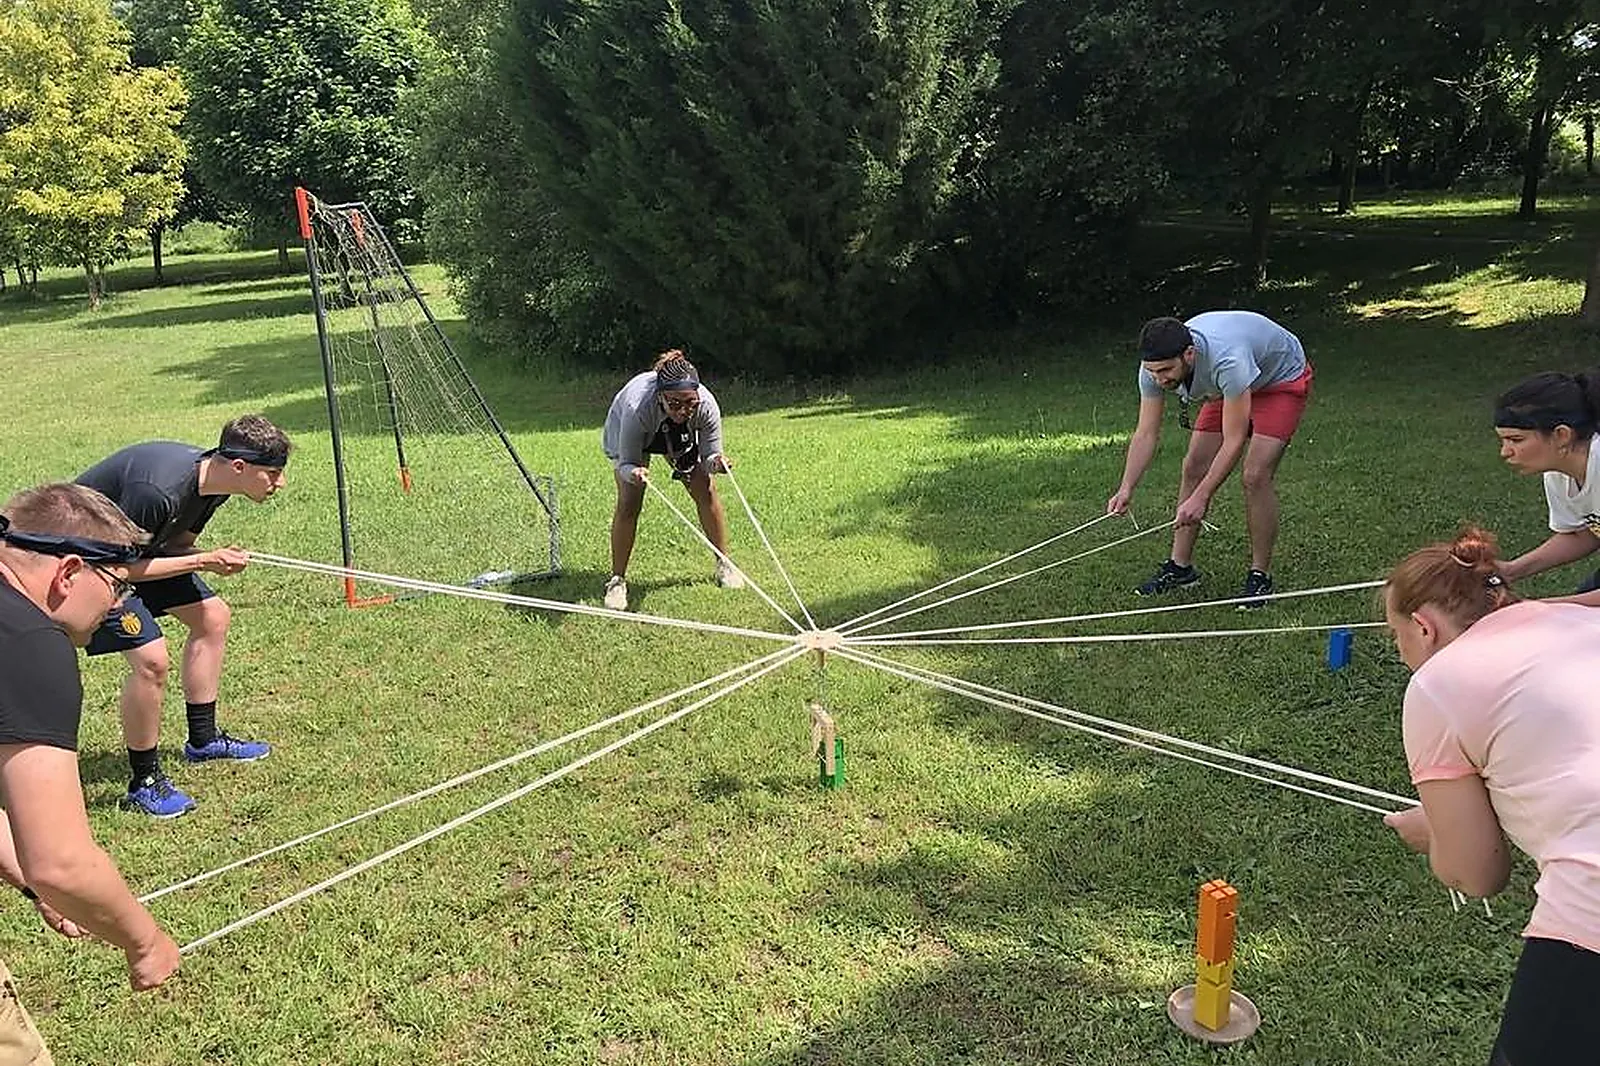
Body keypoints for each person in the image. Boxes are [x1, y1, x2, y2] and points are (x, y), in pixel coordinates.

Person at [1381, 527, 1600, 1066]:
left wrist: (1436, 833)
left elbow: (1476, 874)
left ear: (1424, 628)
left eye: (1396, 636)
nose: (1399, 649)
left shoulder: (1439, 685)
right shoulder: (1578, 618)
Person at [0, 483, 183, 1060]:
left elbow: (43, 869)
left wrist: (29, 880)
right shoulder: (27, 642)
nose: (120, 605)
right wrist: (145, 941)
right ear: (70, 571)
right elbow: (63, 862)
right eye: (117, 585)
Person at [75, 415, 290, 818]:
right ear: (241, 467)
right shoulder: (156, 492)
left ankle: (203, 741)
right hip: (84, 569)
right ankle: (145, 781)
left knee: (213, 617)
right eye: (273, 475)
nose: (279, 484)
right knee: (152, 660)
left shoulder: (215, 485)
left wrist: (209, 557)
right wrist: (206, 561)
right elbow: (118, 569)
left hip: (130, 557)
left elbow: (174, 546)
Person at [1107, 310, 1314, 606]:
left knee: (1255, 475)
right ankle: (1181, 569)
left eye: (1165, 370)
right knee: (1193, 466)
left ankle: (1260, 576)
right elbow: (1146, 434)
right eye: (1153, 371)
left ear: (1189, 354)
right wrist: (1126, 487)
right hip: (1228, 387)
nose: (1159, 378)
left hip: (1280, 379)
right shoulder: (1152, 369)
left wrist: (1202, 496)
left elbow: (1233, 441)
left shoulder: (1228, 360)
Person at [600, 349, 741, 611]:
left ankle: (724, 563)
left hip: (676, 435)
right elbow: (625, 464)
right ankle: (617, 581)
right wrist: (634, 472)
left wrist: (718, 463)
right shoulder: (636, 408)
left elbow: (710, 456)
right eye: (675, 404)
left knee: (705, 489)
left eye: (690, 403)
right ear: (660, 396)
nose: (684, 410)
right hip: (636, 433)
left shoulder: (704, 406)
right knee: (630, 502)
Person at [1491, 369, 1600, 606]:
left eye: (1515, 440)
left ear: (1562, 435)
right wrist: (1510, 570)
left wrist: (1546, 608)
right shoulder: (1558, 473)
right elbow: (1584, 533)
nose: (1505, 452)